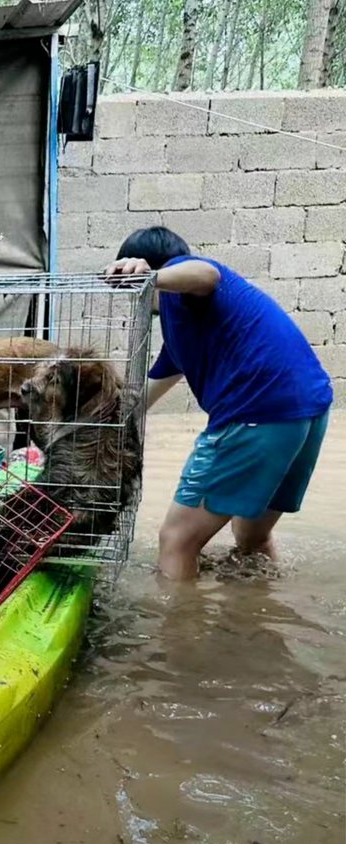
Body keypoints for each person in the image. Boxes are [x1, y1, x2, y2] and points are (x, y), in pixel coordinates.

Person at [104, 225, 333, 581]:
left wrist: (153, 276)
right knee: (251, 537)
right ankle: (258, 618)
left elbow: (204, 272)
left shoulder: (190, 286)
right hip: (308, 409)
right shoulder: (182, 332)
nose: (134, 298)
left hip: (257, 413)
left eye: (136, 288)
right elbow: (137, 402)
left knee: (177, 539)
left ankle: (180, 633)